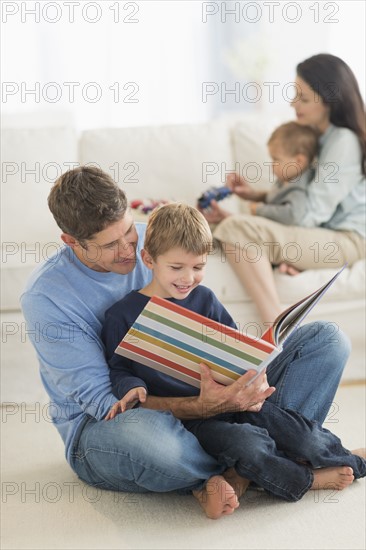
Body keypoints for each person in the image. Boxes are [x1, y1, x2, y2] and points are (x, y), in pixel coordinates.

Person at [21, 166, 350, 517]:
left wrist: (249, 370)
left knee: (327, 340)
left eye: (129, 233)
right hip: (114, 424)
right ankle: (259, 462)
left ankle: (241, 466)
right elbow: (106, 404)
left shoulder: (154, 243)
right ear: (71, 242)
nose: (129, 251)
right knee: (149, 441)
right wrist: (206, 406)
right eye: (109, 245)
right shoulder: (47, 297)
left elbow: (214, 320)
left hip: (207, 401)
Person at [102, 202, 366, 519]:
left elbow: (235, 345)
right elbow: (118, 369)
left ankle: (344, 457)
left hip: (239, 400)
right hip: (195, 420)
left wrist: (257, 368)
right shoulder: (122, 315)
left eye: (198, 267)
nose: (188, 278)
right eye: (177, 268)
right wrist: (132, 387)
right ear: (149, 260)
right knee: (249, 445)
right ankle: (305, 479)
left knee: (301, 433)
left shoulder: (206, 299)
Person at [199, 53, 366, 323]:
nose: (293, 103)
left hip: (348, 240)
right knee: (229, 229)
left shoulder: (342, 141)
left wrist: (253, 212)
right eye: (294, 94)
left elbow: (307, 213)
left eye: (303, 97)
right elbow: (301, 199)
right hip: (327, 234)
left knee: (236, 228)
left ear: (328, 100)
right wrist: (256, 195)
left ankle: (276, 328)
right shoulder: (320, 138)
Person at [248, 121, 318, 225]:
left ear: (299, 161)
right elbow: (273, 197)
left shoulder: (298, 189)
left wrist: (259, 210)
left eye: (276, 159)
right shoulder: (286, 177)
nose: (272, 164)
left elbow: (292, 215)